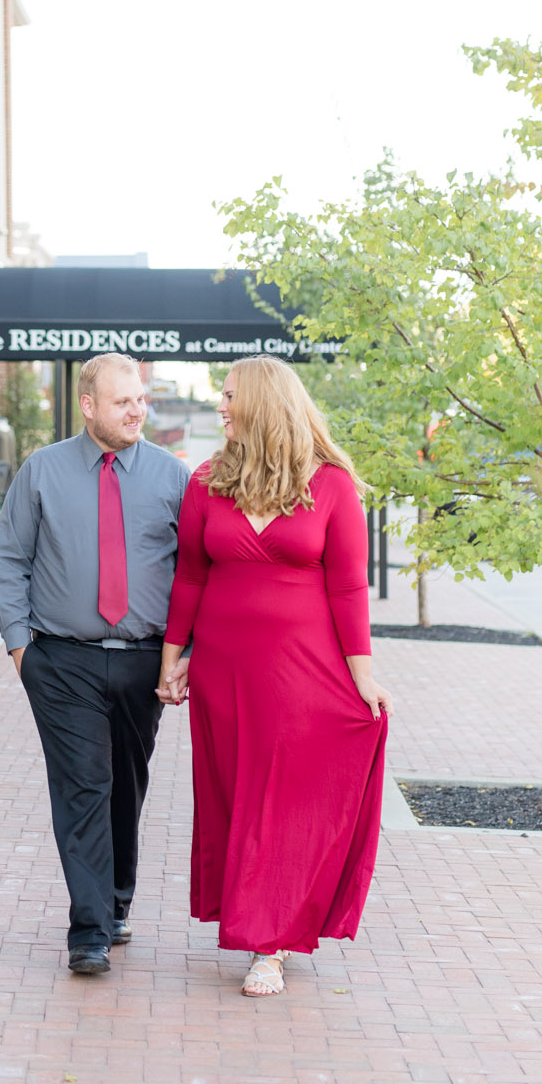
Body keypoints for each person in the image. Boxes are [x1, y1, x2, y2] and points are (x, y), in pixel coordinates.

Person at [157, 357, 391, 998]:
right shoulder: (207, 480)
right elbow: (191, 578)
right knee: (237, 798)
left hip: (304, 674)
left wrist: (362, 677)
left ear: (262, 403)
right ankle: (265, 924)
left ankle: (270, 945)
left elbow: (348, 587)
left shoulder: (333, 484)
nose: (220, 408)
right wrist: (172, 659)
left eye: (229, 397)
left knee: (284, 801)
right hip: (225, 675)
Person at [0, 352, 189, 976]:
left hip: (142, 663)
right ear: (89, 405)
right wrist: (24, 651)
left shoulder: (173, 478)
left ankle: (116, 901)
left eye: (141, 400)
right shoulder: (42, 471)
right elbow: (10, 560)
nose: (137, 411)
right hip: (62, 661)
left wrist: (182, 656)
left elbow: (194, 573)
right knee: (83, 788)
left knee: (125, 786)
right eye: (123, 401)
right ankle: (89, 930)